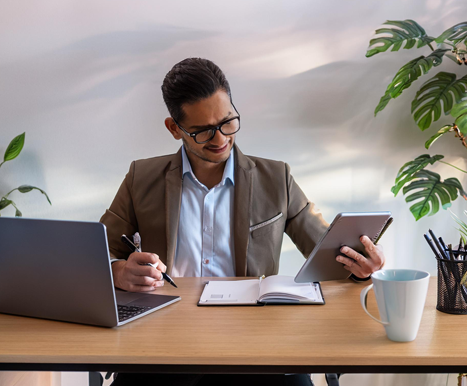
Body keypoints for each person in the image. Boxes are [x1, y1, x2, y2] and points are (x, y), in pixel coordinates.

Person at [100, 58, 386, 386]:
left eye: (228, 122)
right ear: (174, 128)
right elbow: (96, 254)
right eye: (203, 130)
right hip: (165, 342)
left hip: (257, 343)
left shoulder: (276, 178)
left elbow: (330, 251)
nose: (220, 138)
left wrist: (363, 266)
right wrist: (119, 271)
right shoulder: (142, 178)